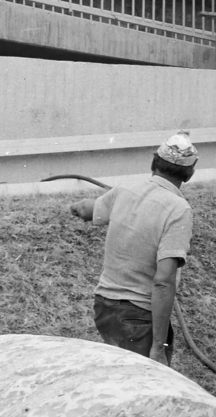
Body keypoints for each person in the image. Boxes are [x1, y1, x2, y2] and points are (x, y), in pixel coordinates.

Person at [72, 132, 198, 364]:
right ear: (190, 172)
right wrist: (158, 347)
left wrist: (78, 207)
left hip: (105, 308)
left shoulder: (126, 189)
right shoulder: (179, 210)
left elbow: (91, 210)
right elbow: (163, 281)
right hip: (138, 318)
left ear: (154, 162)